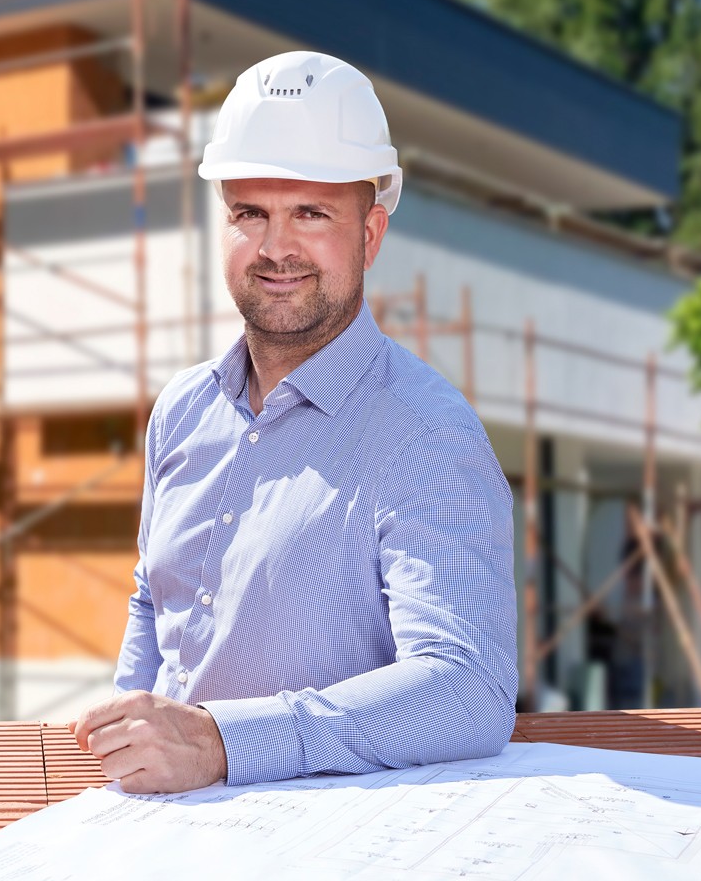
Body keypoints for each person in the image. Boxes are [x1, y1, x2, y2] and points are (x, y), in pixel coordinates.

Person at [72, 51, 518, 793]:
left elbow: (467, 690)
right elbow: (154, 599)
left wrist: (224, 742)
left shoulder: (426, 433)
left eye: (311, 214)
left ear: (370, 234)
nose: (276, 247)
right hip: (161, 828)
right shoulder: (181, 411)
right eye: (250, 213)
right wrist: (131, 731)